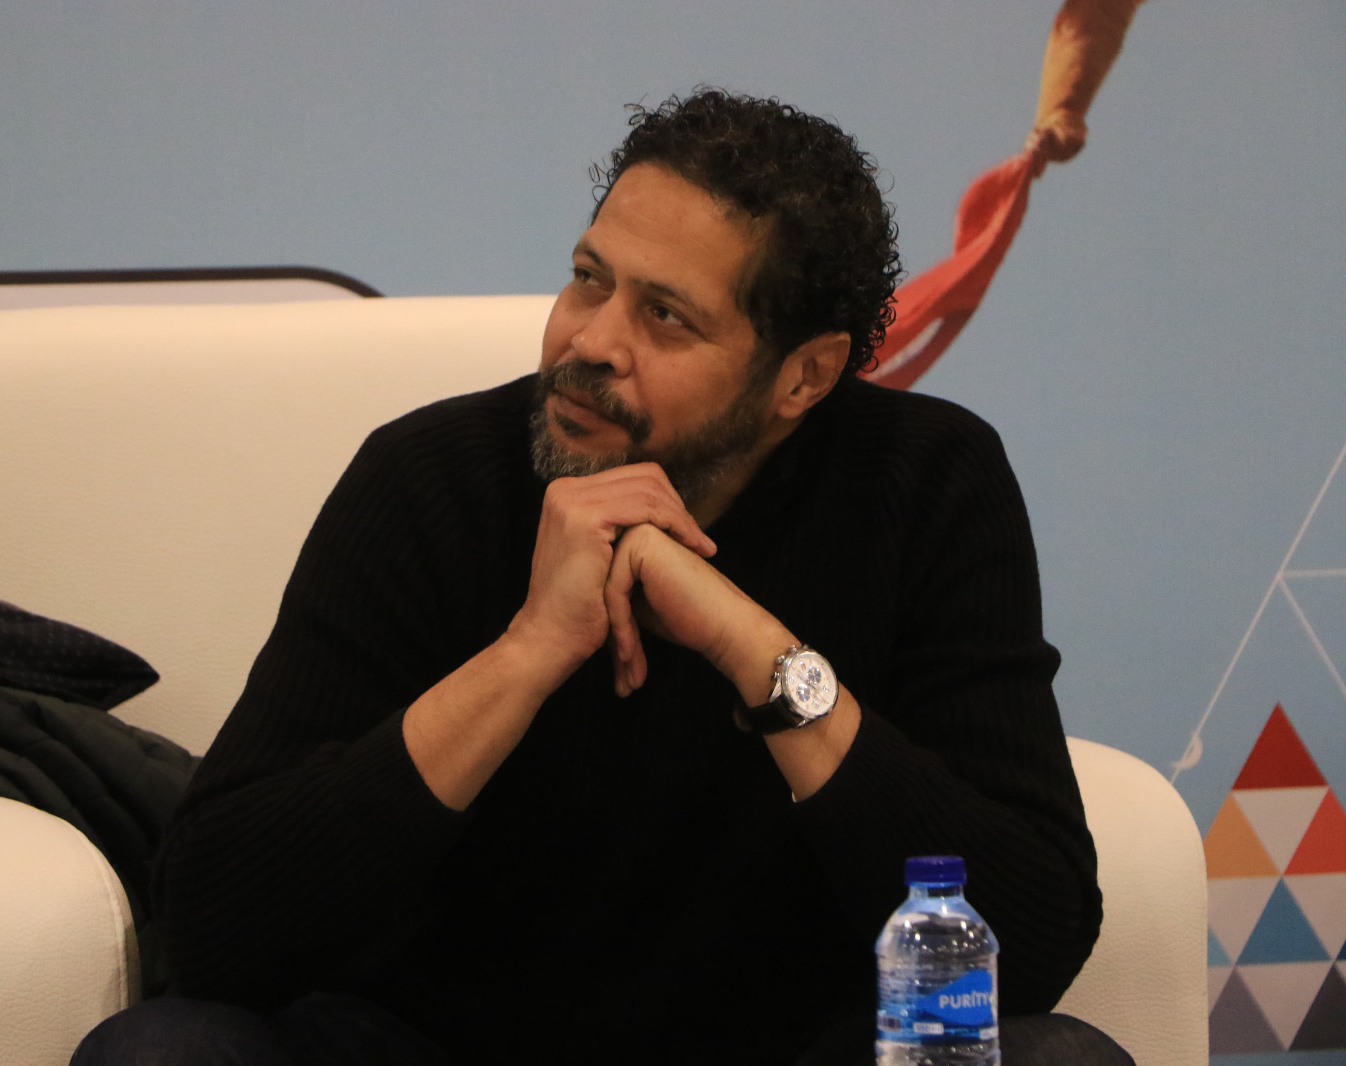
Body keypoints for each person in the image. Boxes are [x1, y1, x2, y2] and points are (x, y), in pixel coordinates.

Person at [73, 90, 1131, 1065]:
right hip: (435, 1045)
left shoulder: (925, 484)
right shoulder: (430, 478)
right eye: (589, 279)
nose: (589, 341)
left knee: (1057, 1060)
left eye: (665, 316)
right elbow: (213, 928)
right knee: (164, 1051)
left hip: (793, 1049)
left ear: (804, 375)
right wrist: (530, 651)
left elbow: (1026, 943)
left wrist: (753, 649)